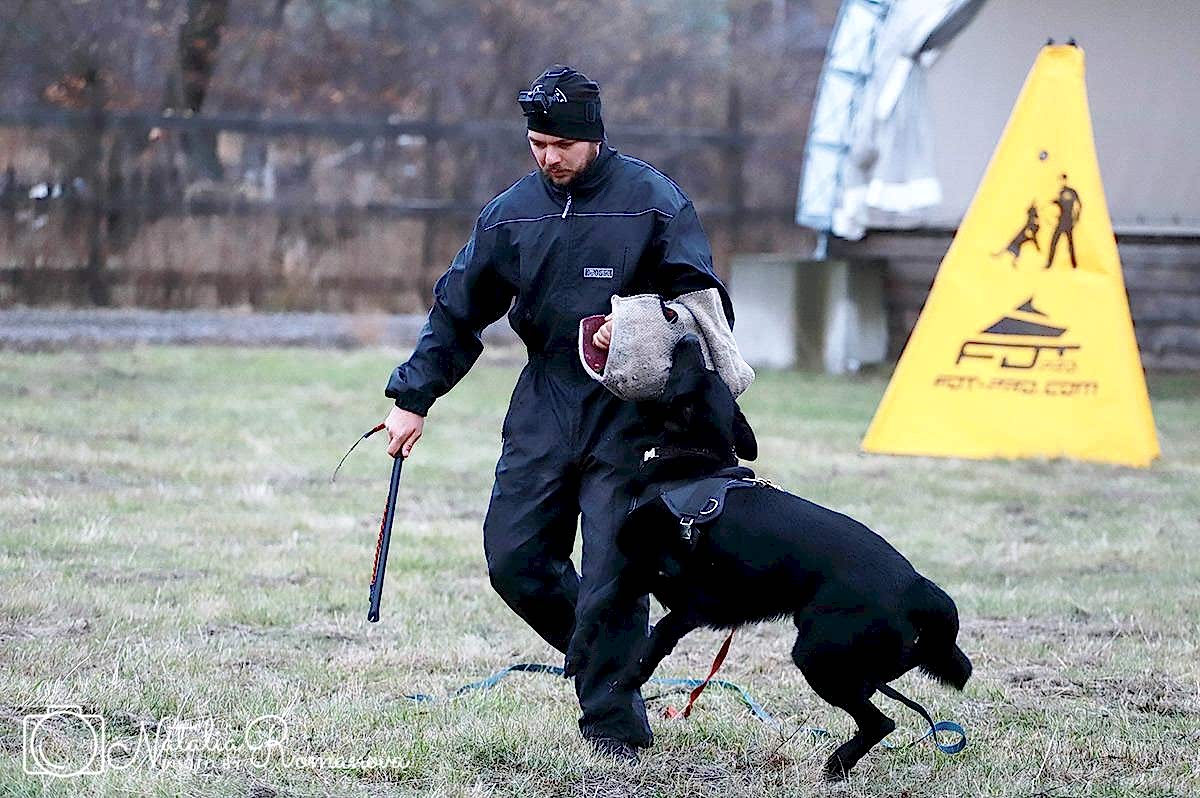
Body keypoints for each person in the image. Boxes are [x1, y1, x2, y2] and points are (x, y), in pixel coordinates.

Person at [382, 64, 734, 761]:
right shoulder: (512, 214)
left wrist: (642, 328)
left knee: (612, 571)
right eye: (537, 145)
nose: (548, 158)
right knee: (514, 559)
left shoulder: (654, 203)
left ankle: (613, 724)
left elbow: (702, 307)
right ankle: (617, 663)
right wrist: (413, 398)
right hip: (544, 398)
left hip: (630, 410)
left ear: (593, 136)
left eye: (561, 146)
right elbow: (458, 310)